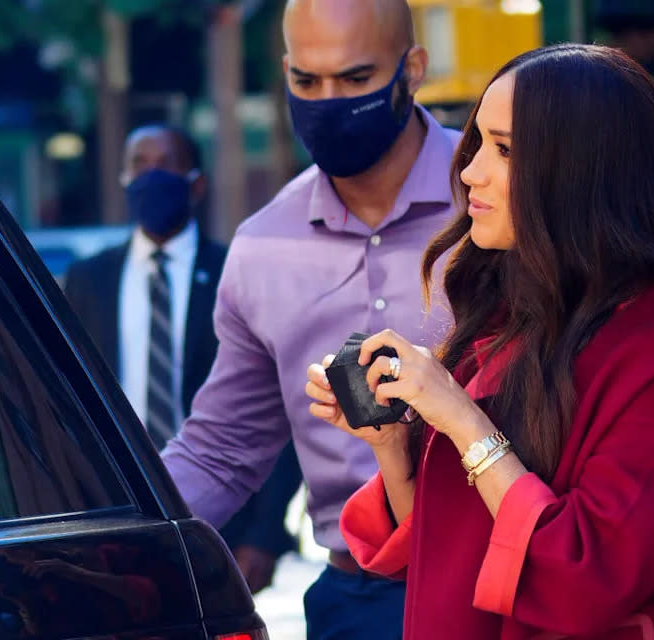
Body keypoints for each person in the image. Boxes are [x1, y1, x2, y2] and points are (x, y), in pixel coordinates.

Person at [306, 45, 654, 639]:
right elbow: (449, 545)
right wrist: (393, 444)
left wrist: (459, 416)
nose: (471, 169)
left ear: (578, 174)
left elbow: (584, 575)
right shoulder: (513, 311)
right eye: (478, 142)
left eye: (504, 150)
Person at [160, 0, 459, 636]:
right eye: (306, 82)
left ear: (413, 68)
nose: (327, 101)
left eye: (354, 80)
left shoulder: (494, 200)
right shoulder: (262, 246)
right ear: (286, 71)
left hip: (514, 584)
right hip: (358, 597)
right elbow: (222, 450)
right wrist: (109, 534)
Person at [64, 124, 302, 594]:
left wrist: (265, 536)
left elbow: (280, 407)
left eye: (165, 166)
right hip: (114, 519)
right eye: (139, 165)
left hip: (223, 530)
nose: (151, 177)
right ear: (123, 178)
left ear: (196, 182)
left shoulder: (237, 272)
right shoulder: (89, 279)